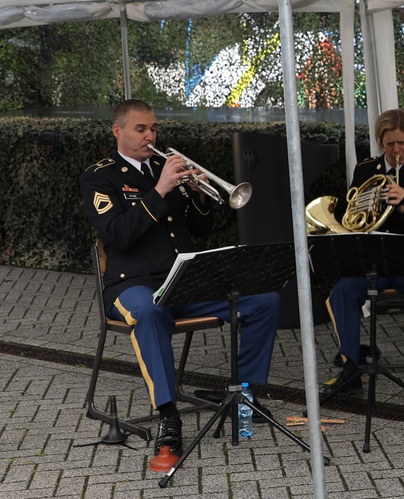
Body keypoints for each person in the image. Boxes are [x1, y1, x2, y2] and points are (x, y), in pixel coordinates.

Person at [81, 99, 281, 463]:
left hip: (180, 279)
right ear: (118, 131)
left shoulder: (163, 166)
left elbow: (201, 229)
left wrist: (199, 191)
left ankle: (244, 399)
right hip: (132, 284)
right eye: (141, 129)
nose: (150, 135)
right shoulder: (100, 176)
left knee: (263, 300)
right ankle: (169, 417)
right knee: (151, 314)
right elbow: (119, 235)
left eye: (153, 128)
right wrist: (159, 191)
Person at [321, 109, 404, 400]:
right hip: (370, 262)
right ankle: (350, 368)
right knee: (341, 292)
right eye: (390, 144)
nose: (397, 150)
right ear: (380, 143)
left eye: (402, 143)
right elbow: (352, 217)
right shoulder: (366, 171)